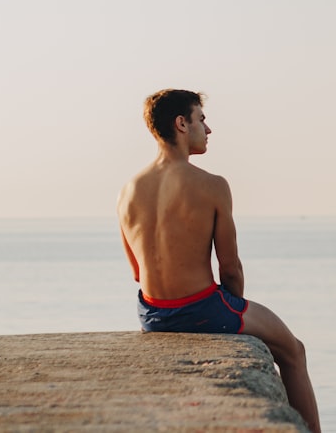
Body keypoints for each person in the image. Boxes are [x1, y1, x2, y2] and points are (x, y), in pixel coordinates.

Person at [117, 89, 320, 432]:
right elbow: (230, 268)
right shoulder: (211, 185)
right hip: (202, 309)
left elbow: (137, 272)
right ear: (181, 124)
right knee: (293, 351)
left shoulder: (129, 189)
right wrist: (234, 312)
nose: (208, 129)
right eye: (201, 119)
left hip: (152, 314)